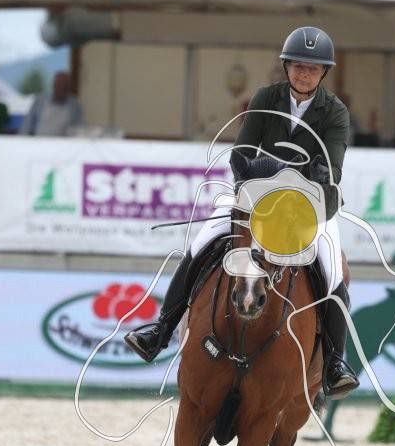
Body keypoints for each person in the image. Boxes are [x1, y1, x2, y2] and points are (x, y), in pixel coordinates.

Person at [124, 26, 360, 399]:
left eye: (313, 69)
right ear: (287, 67)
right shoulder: (266, 98)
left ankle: (334, 362)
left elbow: (329, 171)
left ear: (323, 73)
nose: (304, 75)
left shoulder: (335, 112)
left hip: (312, 205)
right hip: (257, 197)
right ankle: (161, 330)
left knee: (331, 268)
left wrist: (296, 181)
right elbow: (242, 154)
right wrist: (263, 183)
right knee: (202, 242)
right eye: (298, 66)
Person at [20, 71, 83, 137]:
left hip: (62, 142)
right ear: (54, 86)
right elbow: (26, 126)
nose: (61, 89)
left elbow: (80, 128)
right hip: (38, 141)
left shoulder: (74, 106)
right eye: (59, 86)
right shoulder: (40, 101)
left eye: (65, 87)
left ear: (68, 88)